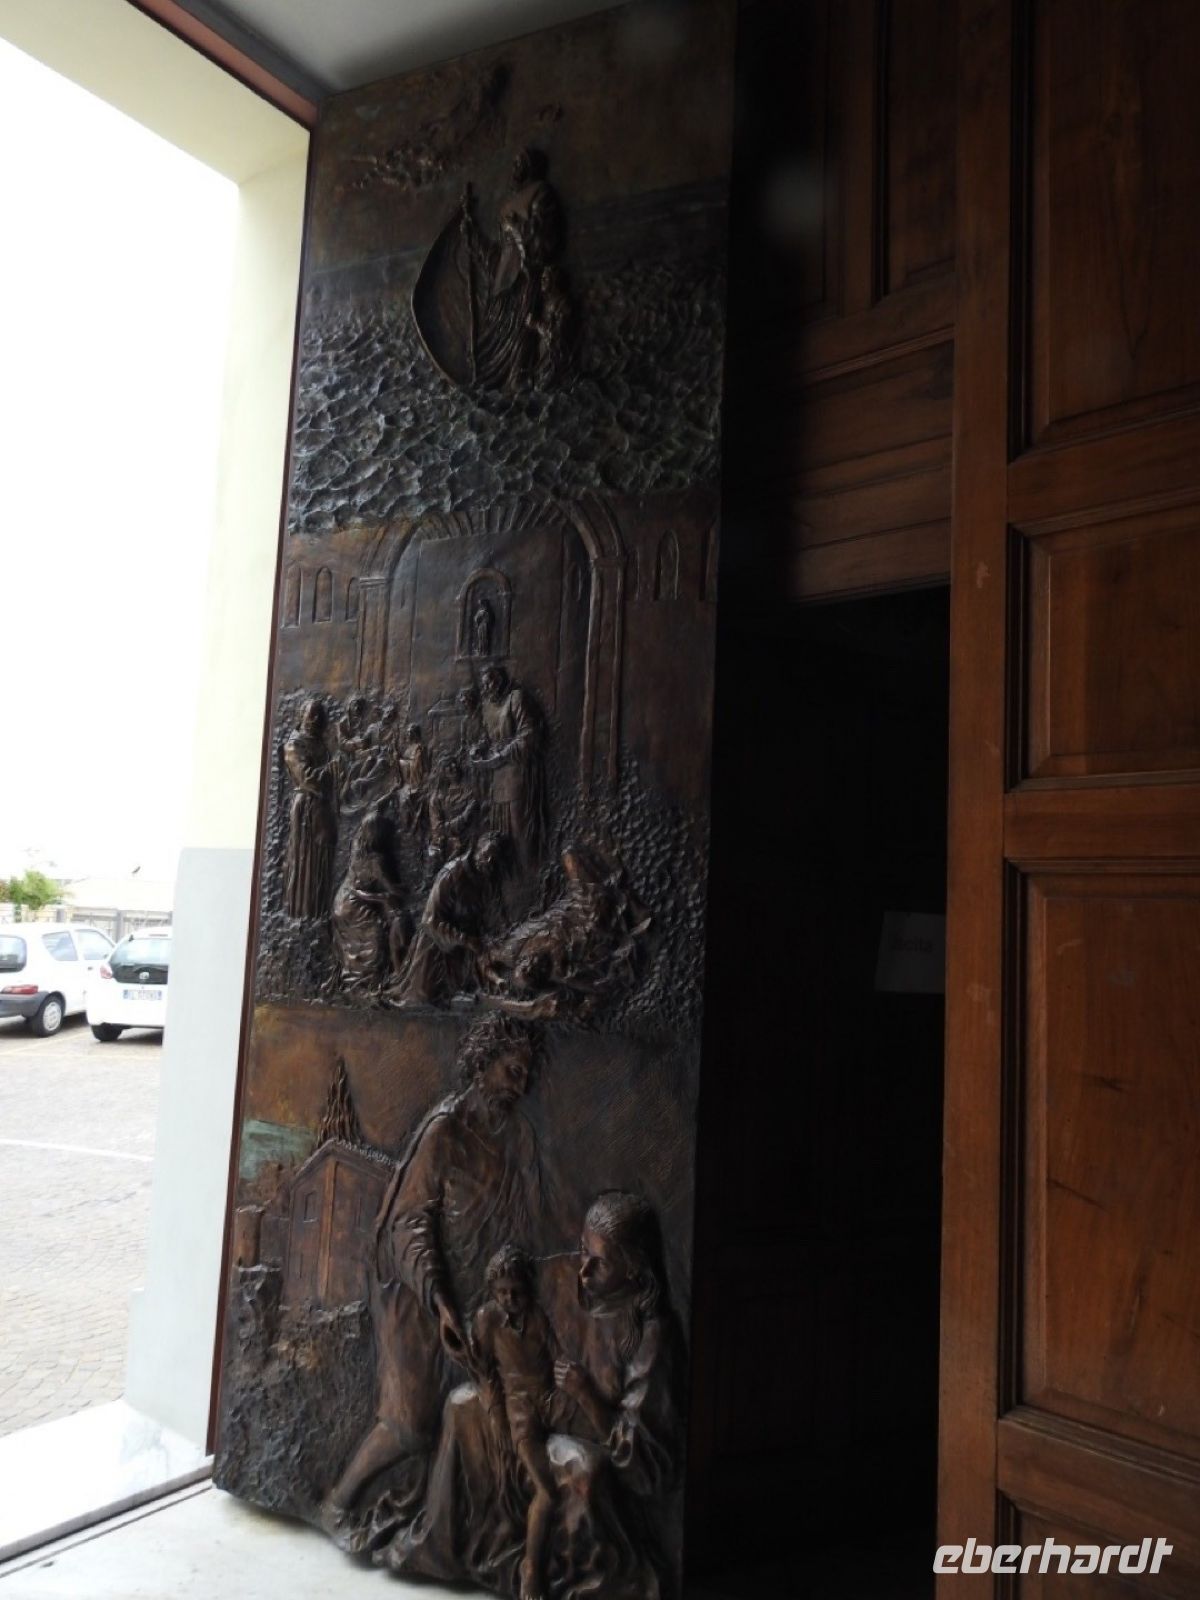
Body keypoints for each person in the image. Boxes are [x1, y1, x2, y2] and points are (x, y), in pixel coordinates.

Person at [320, 1016, 543, 1547]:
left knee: (467, 1411)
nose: (520, 1086)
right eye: (511, 1071)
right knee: (410, 1421)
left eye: (526, 1075)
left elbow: (524, 1219)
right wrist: (440, 1303)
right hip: (416, 1292)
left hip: (477, 1296)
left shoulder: (517, 1138)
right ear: (482, 1064)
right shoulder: (446, 1131)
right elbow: (408, 1223)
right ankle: (337, 1503)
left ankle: (441, 1519)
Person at [472, 1245, 570, 1600]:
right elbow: (483, 1372)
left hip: (551, 1401)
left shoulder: (540, 1317)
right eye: (502, 1292)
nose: (510, 1299)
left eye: (516, 1291)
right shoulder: (487, 1320)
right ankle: (531, 1568)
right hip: (519, 1410)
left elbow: (558, 1356)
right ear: (492, 1292)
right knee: (547, 1489)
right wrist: (496, 1415)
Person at [393, 833, 505, 1005]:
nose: (489, 861)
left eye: (493, 859)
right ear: (476, 850)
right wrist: (464, 939)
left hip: (468, 948)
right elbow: (430, 920)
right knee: (423, 999)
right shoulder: (451, 874)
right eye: (486, 855)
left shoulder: (486, 877)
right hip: (437, 945)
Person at [471, 665, 546, 869]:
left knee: (519, 828)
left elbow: (529, 735)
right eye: (485, 684)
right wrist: (479, 749)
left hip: (517, 773)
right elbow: (488, 737)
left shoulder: (516, 698)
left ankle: (530, 872)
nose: (488, 687)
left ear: (502, 679)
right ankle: (510, 878)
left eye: (492, 681)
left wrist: (504, 754)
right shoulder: (487, 707)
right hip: (497, 777)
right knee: (499, 833)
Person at [330, 811, 410, 992]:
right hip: (355, 905)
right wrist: (410, 888)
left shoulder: (357, 848)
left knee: (361, 941)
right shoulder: (377, 861)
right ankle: (368, 981)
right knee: (377, 934)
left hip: (341, 901)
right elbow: (393, 890)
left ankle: (356, 977)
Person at [283, 697, 337, 919]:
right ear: (301, 715)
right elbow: (307, 779)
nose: (315, 719)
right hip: (306, 807)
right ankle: (303, 913)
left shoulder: (321, 745)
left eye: (319, 716)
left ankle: (320, 912)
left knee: (322, 861)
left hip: (323, 809)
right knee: (306, 860)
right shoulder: (294, 745)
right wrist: (331, 770)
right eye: (311, 714)